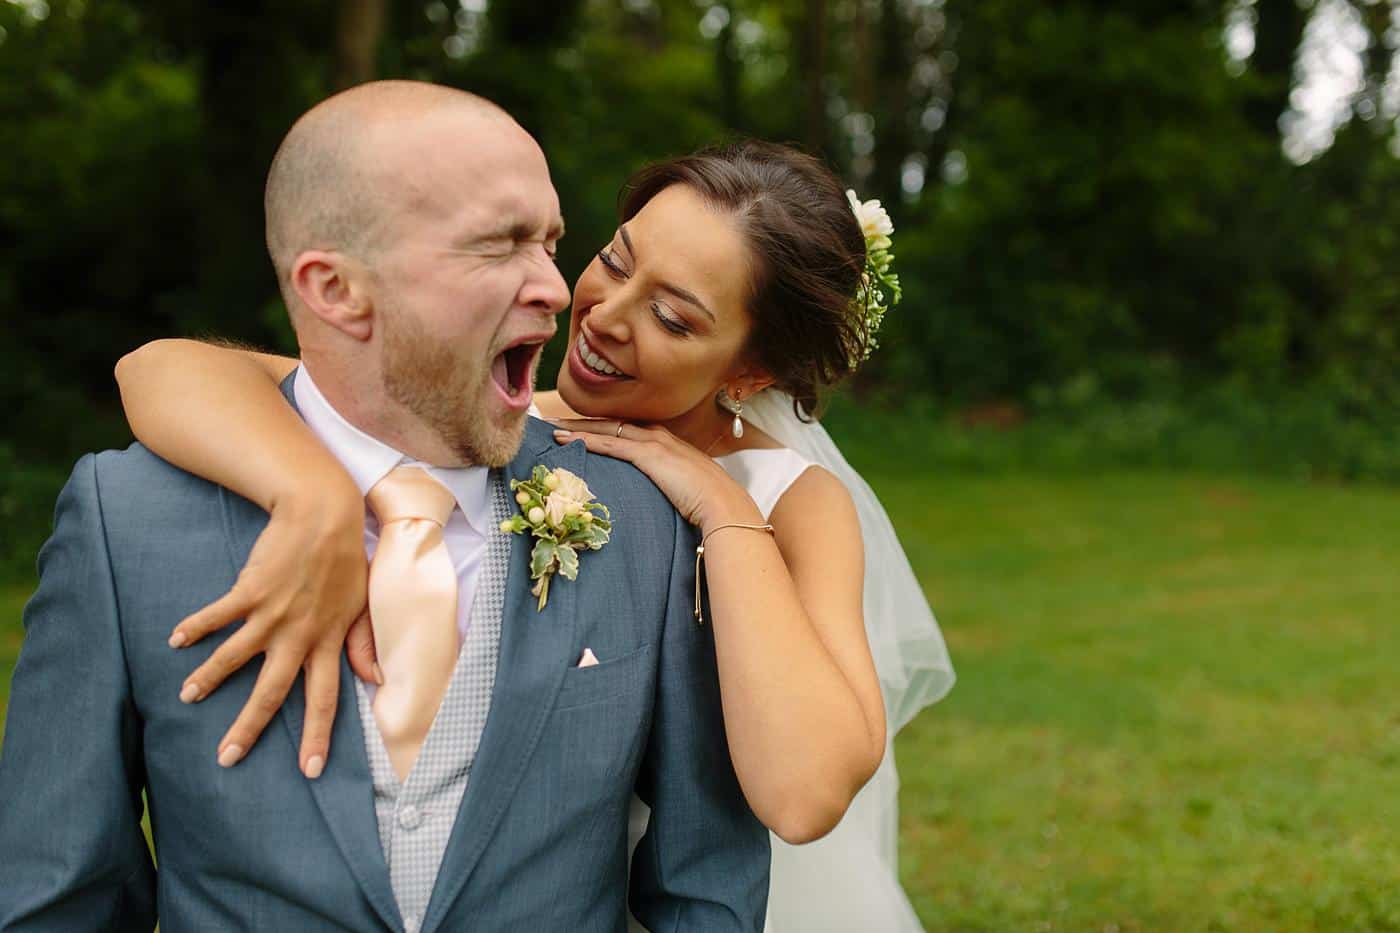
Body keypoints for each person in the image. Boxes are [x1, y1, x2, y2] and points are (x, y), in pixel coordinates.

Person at [113, 130, 955, 927]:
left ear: (751, 368)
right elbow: (158, 369)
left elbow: (803, 795)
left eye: (672, 318)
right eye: (615, 261)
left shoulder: (791, 499)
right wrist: (312, 495)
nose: (603, 316)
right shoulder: (494, 416)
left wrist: (722, 508)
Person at [0, 81, 771, 932]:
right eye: (499, 245)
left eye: (550, 242)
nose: (557, 287)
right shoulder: (126, 522)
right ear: (335, 290)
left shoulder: (645, 519)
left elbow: (707, 885)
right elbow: (57, 896)